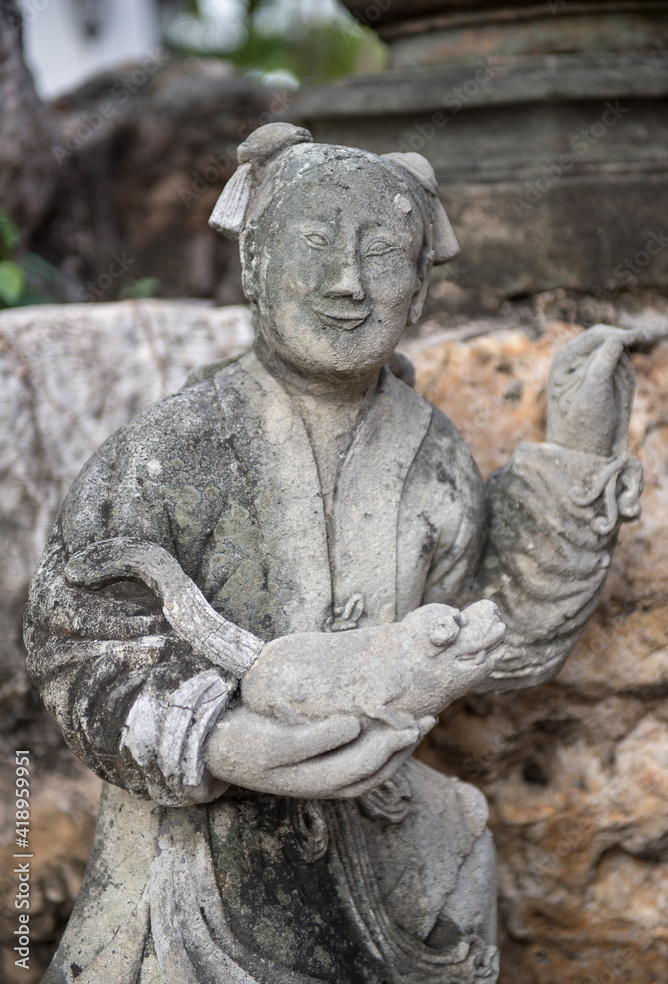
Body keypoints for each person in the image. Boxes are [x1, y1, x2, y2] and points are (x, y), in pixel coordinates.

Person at [24, 123, 642, 984]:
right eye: (313, 243)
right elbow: (77, 633)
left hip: (384, 856)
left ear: (420, 290)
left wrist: (577, 458)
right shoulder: (180, 446)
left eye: (383, 253)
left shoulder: (433, 455)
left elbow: (484, 634)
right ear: (254, 266)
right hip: (200, 884)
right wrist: (215, 739)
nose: (347, 282)